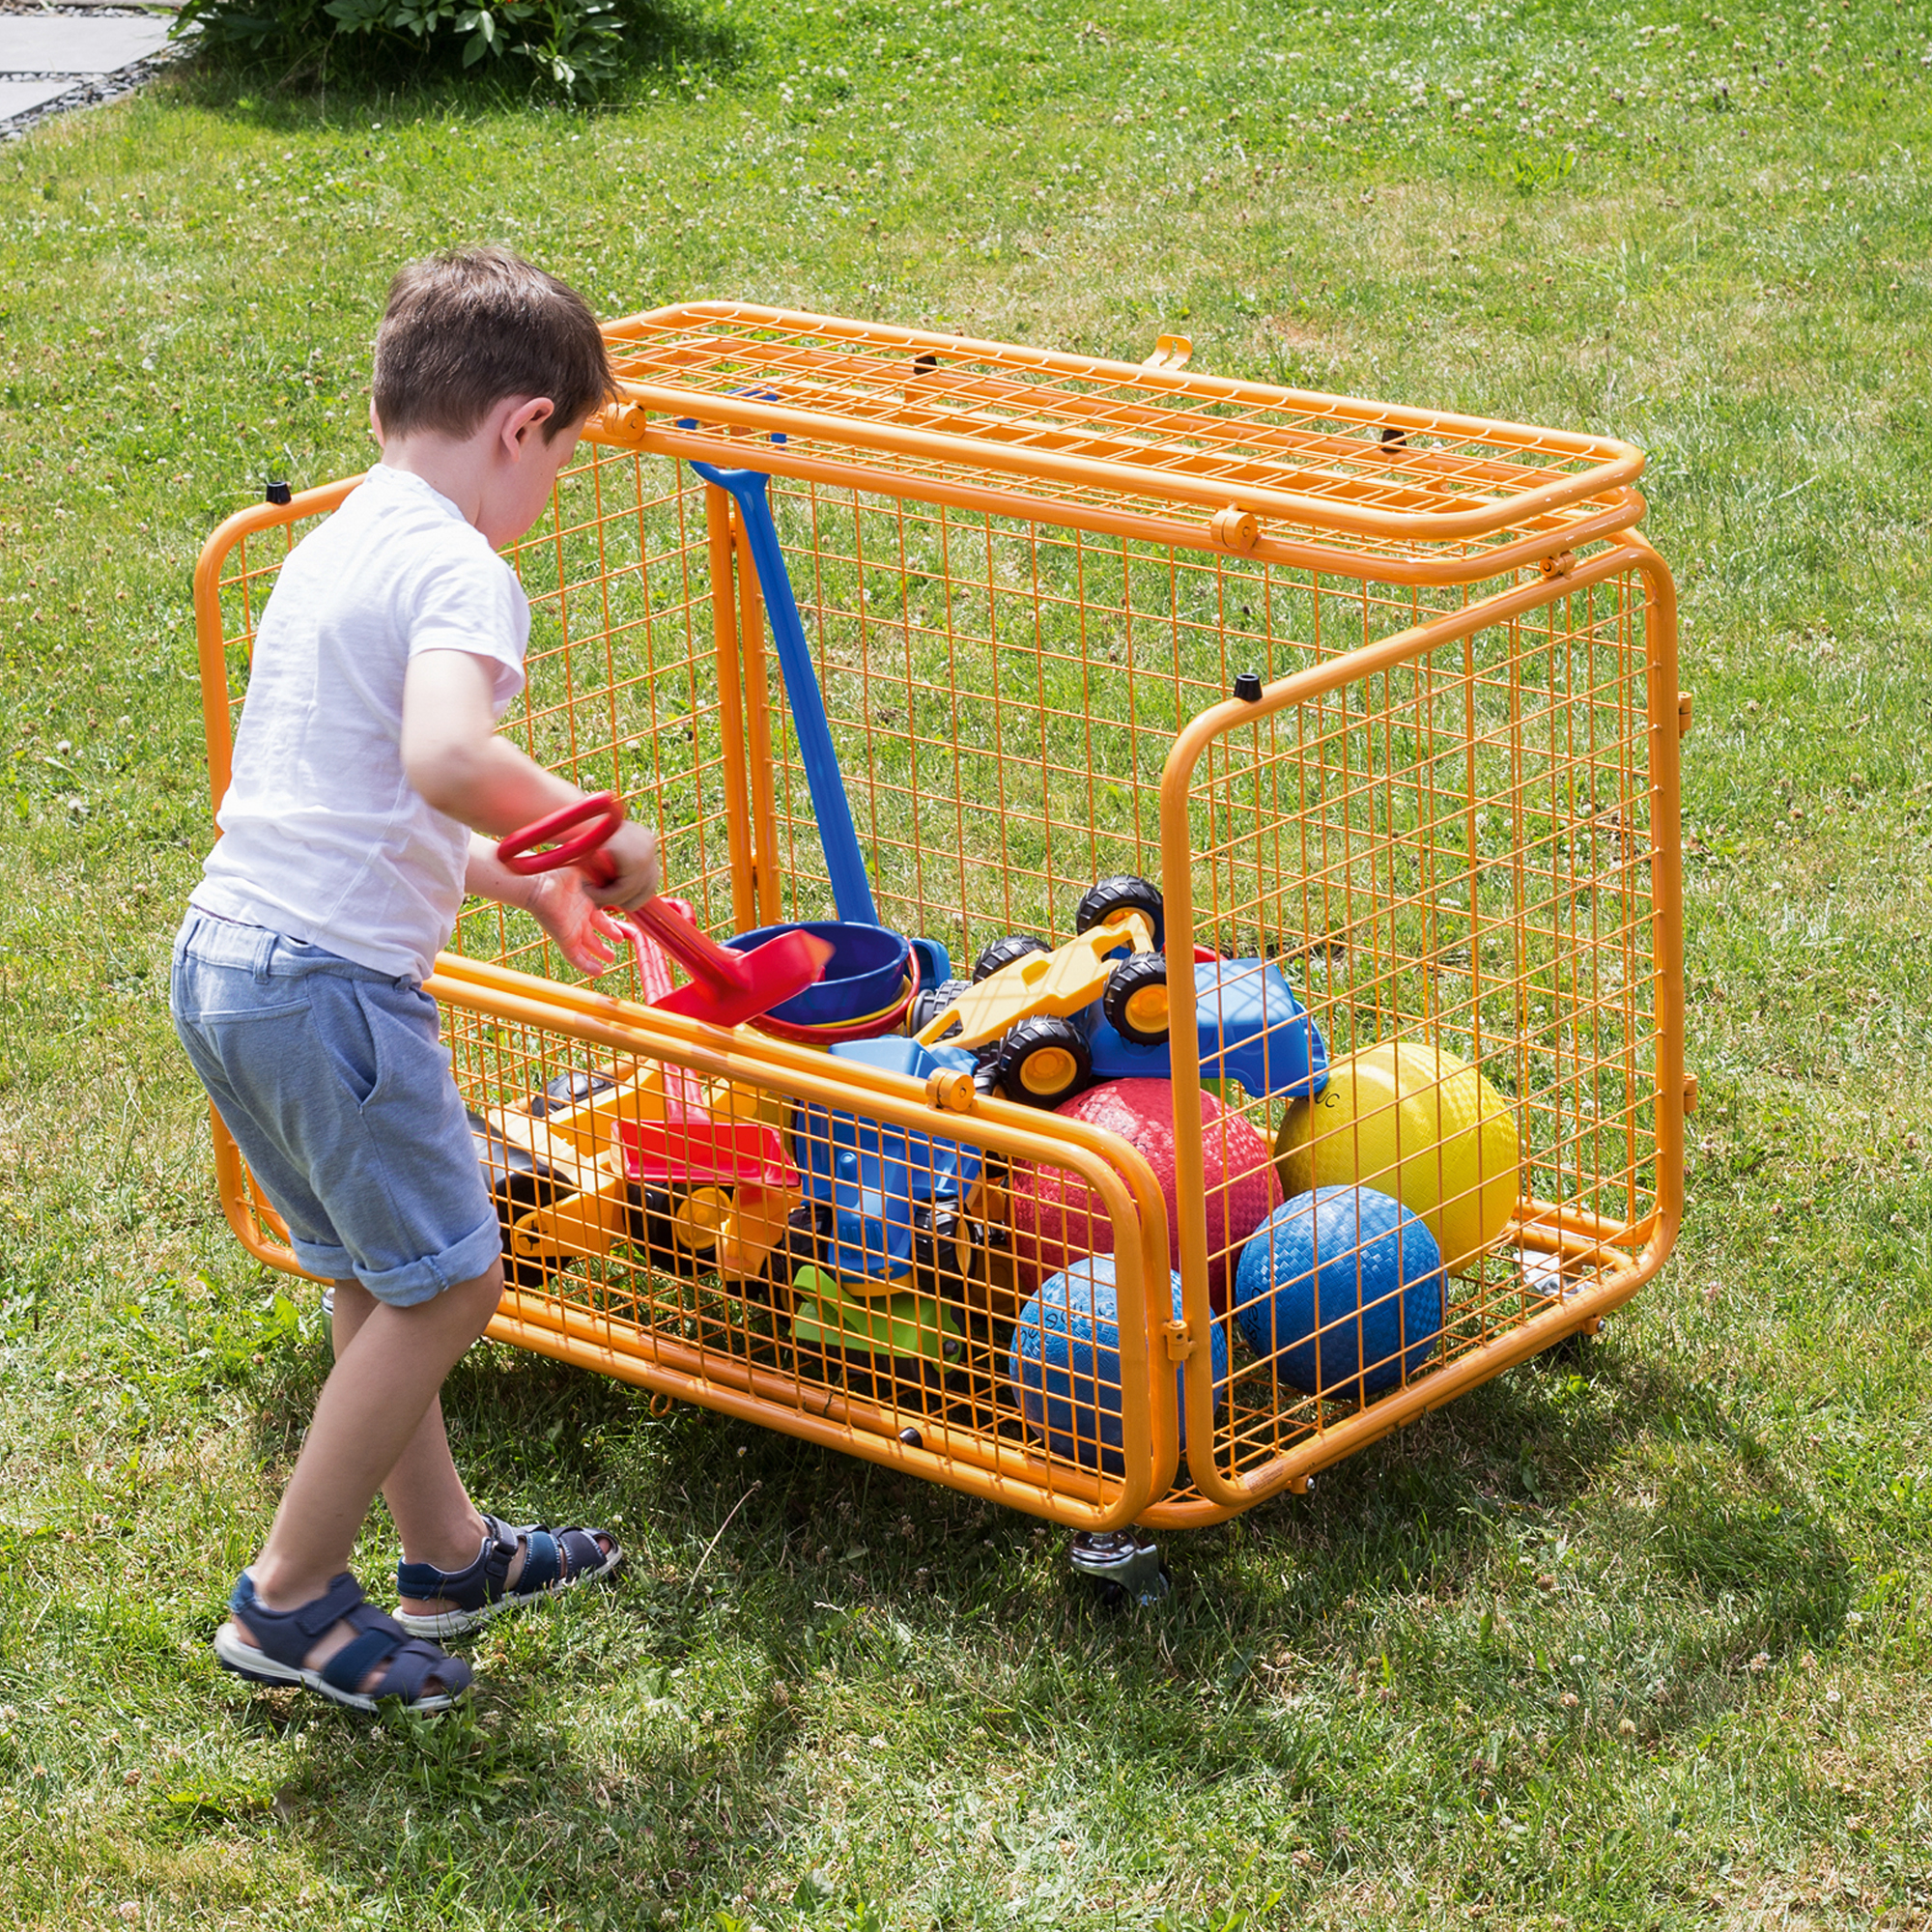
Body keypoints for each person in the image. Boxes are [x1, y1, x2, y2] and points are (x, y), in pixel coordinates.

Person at [170, 247, 660, 1713]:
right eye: (562, 457)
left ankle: (442, 1556)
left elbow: (367, 801)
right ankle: (292, 1602)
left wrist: (528, 877)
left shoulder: (341, 535)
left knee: (376, 1279)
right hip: (330, 992)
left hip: (232, 961)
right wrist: (605, 832)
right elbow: (447, 759)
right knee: (450, 1288)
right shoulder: (462, 564)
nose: (551, 489)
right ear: (523, 425)